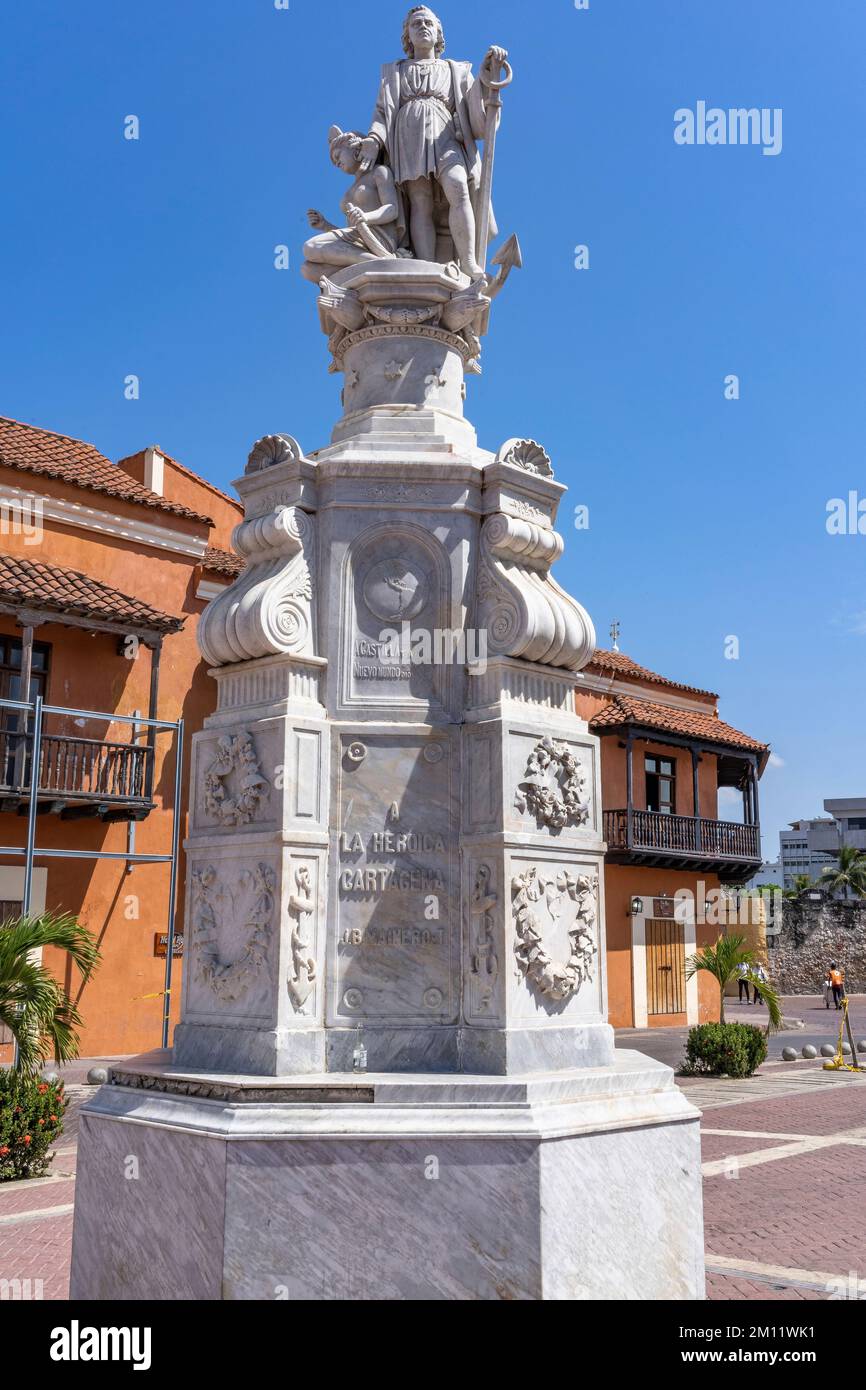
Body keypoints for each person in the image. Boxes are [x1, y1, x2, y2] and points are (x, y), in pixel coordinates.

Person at [357, 6, 507, 277]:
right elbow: (382, 112)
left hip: (446, 133)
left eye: (428, 23)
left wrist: (487, 74)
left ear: (439, 33)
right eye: (415, 24)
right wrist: (373, 139)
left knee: (459, 186)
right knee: (420, 200)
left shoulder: (456, 69)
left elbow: (473, 103)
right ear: (408, 36)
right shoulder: (395, 72)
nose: (422, 27)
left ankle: (469, 262)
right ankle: (426, 267)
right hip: (407, 135)